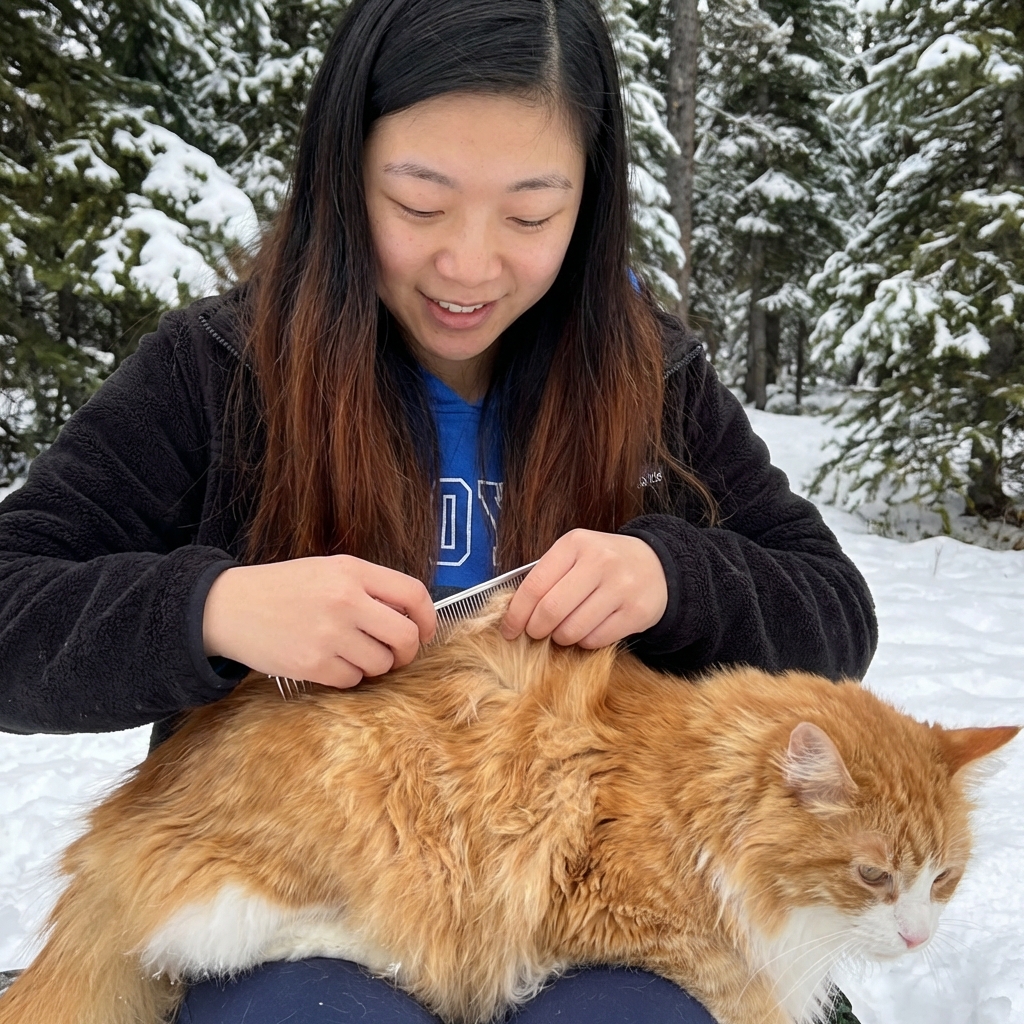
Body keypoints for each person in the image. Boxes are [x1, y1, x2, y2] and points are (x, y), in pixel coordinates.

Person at [0, 0, 876, 1020]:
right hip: (324, 893)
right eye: (418, 205)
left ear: (589, 203)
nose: (468, 265)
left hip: (593, 886)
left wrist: (672, 577)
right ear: (344, 175)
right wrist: (217, 609)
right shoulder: (220, 370)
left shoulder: (650, 377)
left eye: (530, 215)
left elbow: (832, 613)